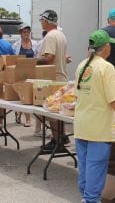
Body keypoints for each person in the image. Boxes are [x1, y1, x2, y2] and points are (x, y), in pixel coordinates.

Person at [74, 29, 115, 203]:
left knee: (85, 169)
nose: (110, 47)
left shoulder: (82, 65)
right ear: (104, 48)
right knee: (95, 170)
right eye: (109, 44)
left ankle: (86, 198)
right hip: (98, 129)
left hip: (82, 126)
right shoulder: (106, 67)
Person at [37, 10, 69, 149]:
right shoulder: (61, 34)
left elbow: (49, 57)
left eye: (41, 20)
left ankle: (57, 141)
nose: (41, 23)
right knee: (58, 111)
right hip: (60, 76)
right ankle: (62, 137)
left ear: (46, 21)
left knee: (52, 112)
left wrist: (33, 61)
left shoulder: (50, 36)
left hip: (52, 78)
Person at [12, 24, 38, 127]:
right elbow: (13, 59)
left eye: (28, 31)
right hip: (20, 72)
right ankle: (27, 119)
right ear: (21, 33)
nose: (26, 34)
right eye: (24, 32)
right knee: (24, 95)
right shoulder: (16, 45)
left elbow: (38, 57)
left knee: (26, 95)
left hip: (32, 72)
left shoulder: (35, 44)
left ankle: (19, 114)